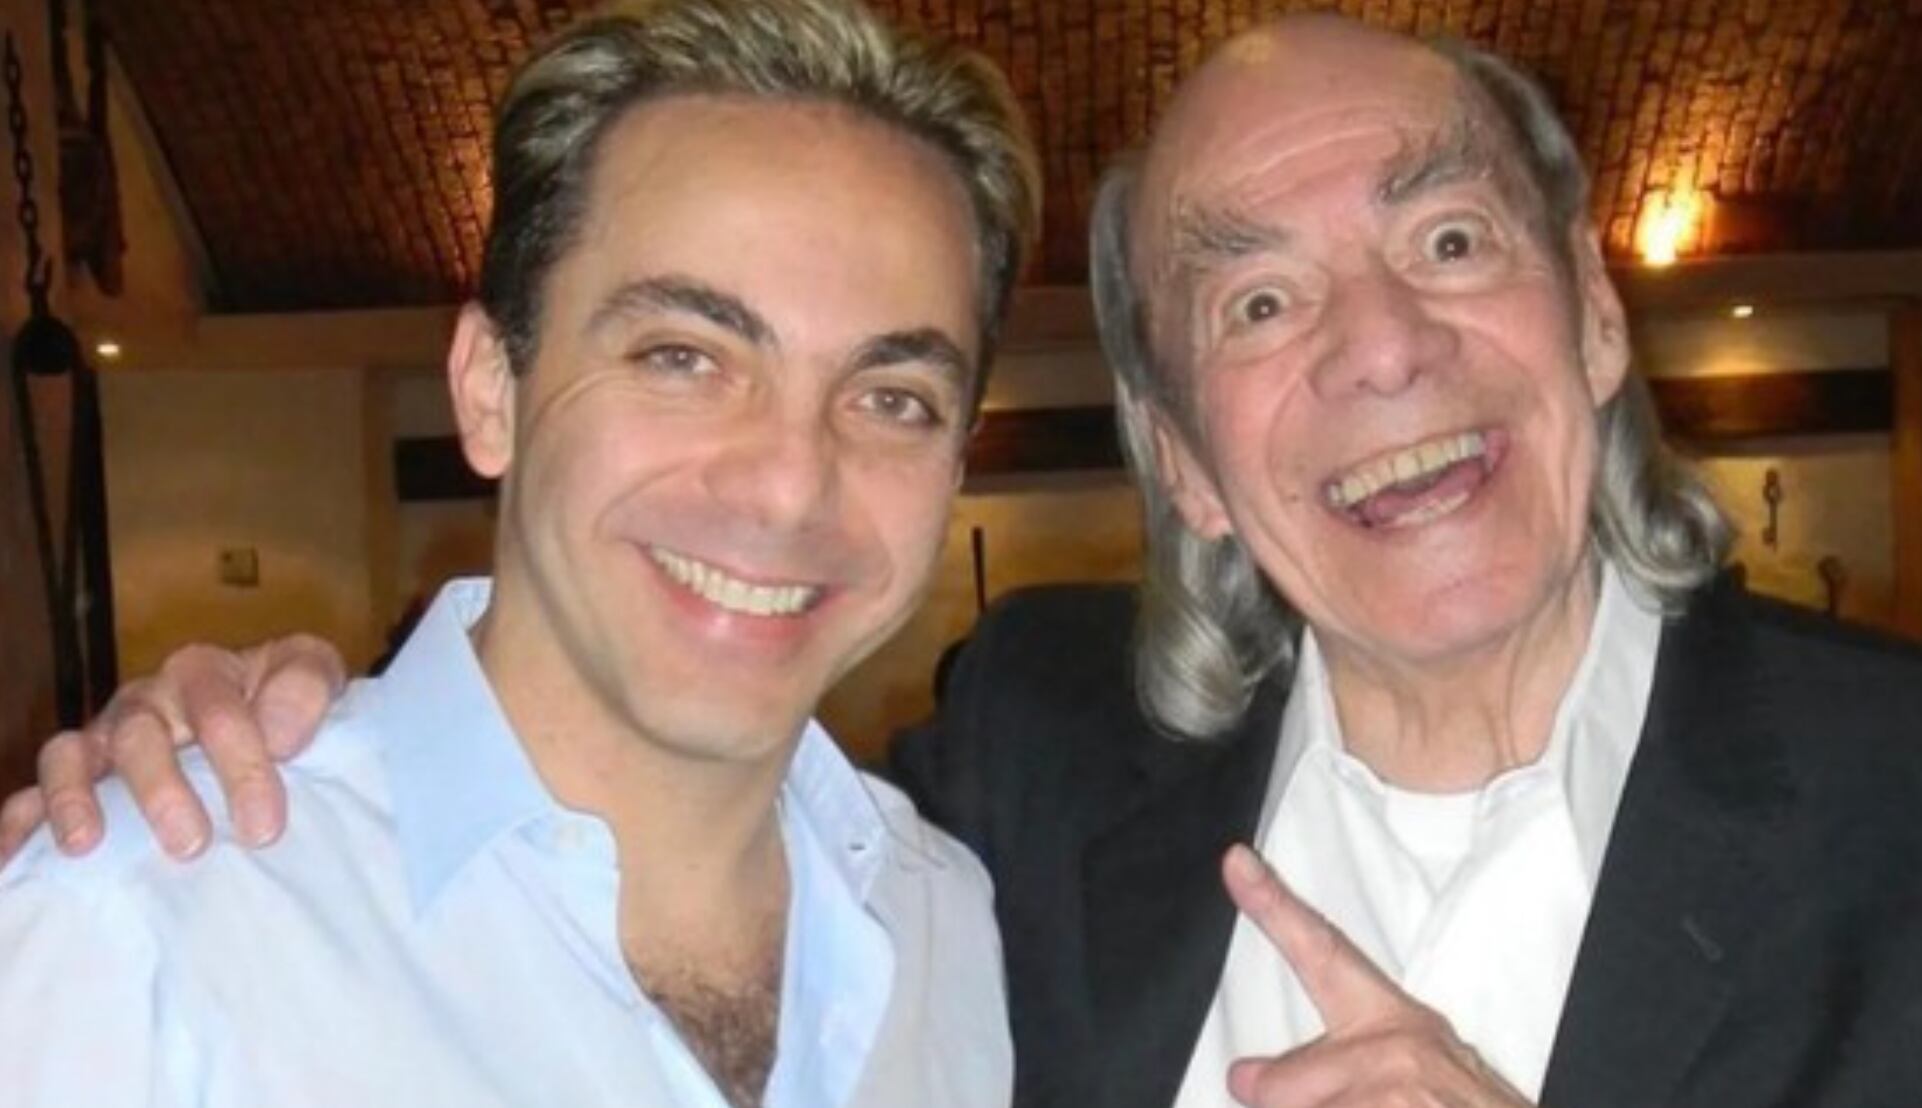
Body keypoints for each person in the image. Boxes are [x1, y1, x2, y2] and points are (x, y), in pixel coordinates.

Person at [10, 12, 1922, 1108]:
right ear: (1182, 458)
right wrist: (237, 719)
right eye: (1257, 300)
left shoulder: (923, 899)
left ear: (1593, 309)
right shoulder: (1031, 784)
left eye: (1445, 243)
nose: (1377, 348)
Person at [0, 1, 1039, 1105]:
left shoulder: (941, 919)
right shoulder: (141, 934)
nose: (789, 484)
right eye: (682, 356)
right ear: (490, 389)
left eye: (892, 397)